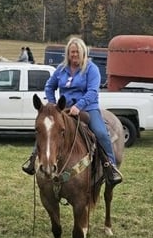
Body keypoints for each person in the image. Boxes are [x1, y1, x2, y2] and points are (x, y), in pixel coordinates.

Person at [21, 37, 123, 185]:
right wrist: (52, 104)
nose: (74, 55)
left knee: (101, 133)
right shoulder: (61, 69)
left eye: (77, 52)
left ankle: (110, 166)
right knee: (47, 131)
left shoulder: (91, 69)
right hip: (64, 110)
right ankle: (33, 159)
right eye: (71, 52)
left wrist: (79, 106)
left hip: (88, 109)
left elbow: (93, 91)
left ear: (83, 53)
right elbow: (49, 86)